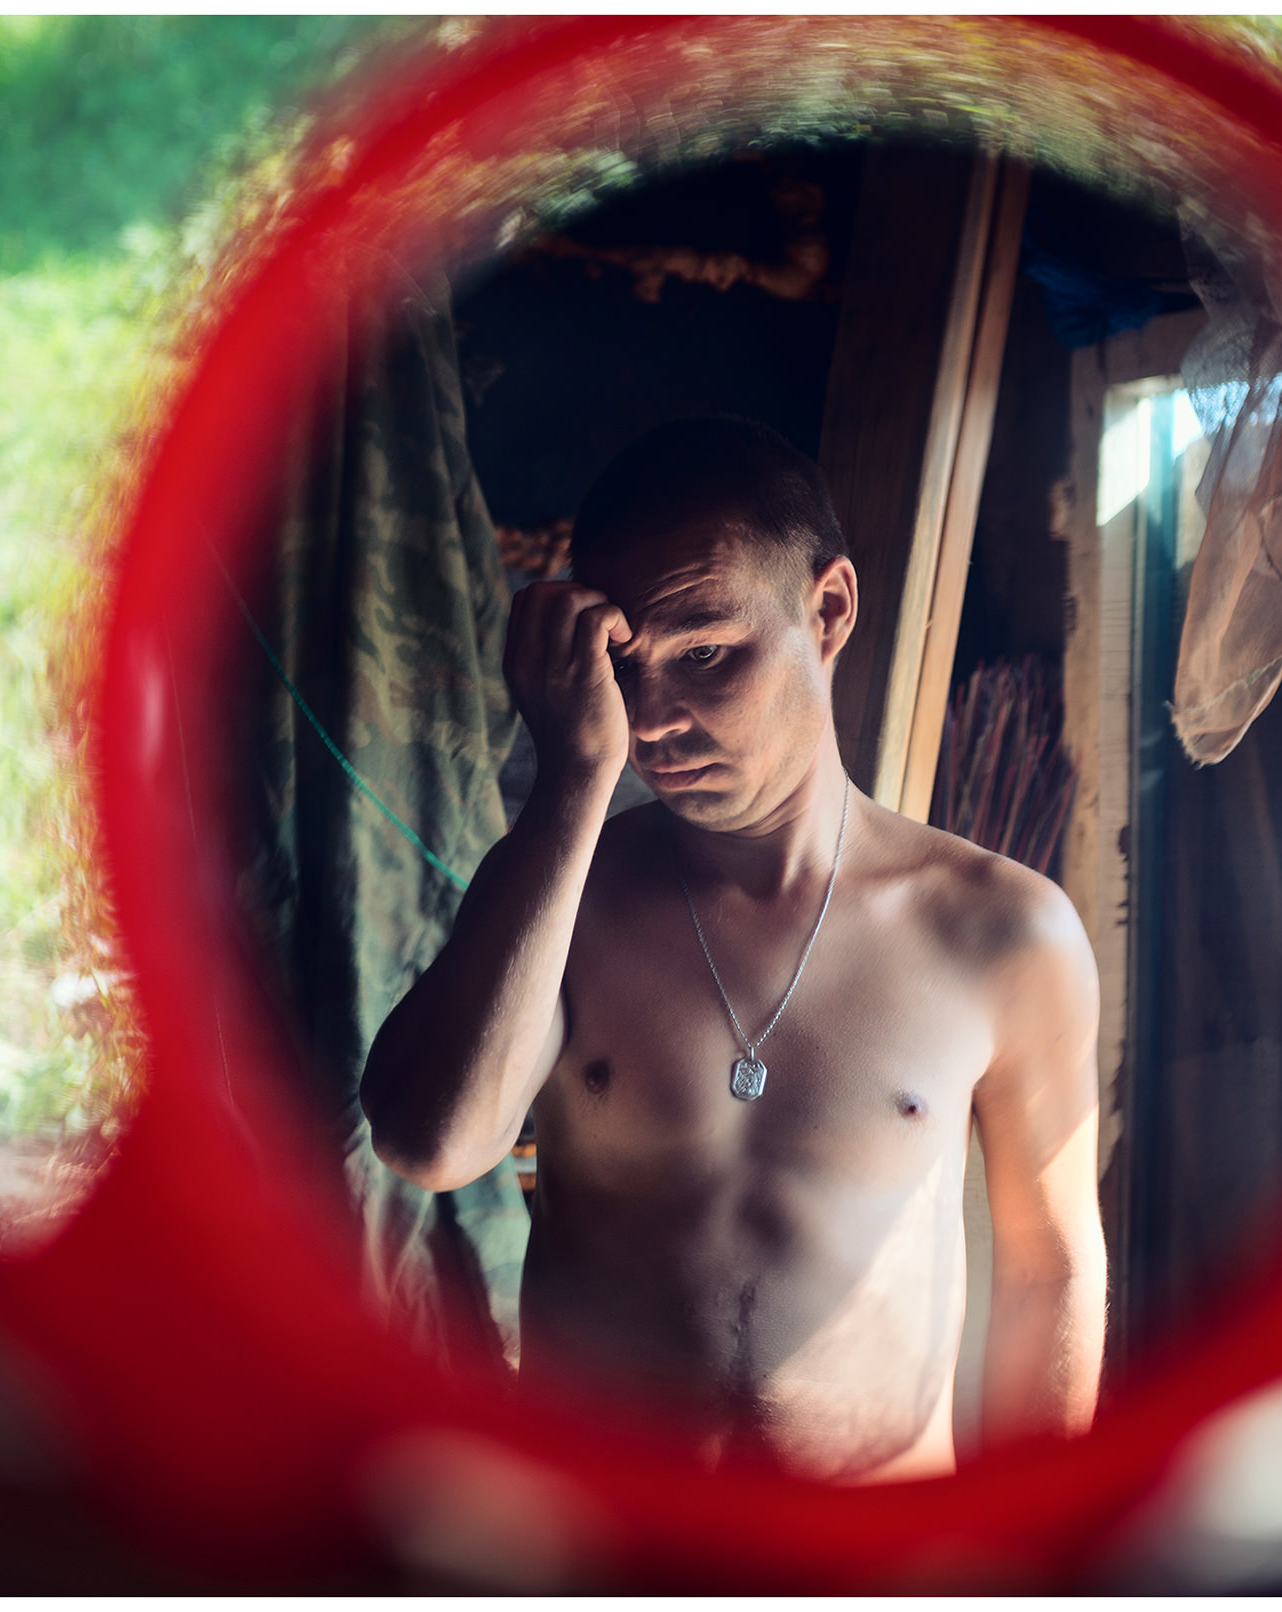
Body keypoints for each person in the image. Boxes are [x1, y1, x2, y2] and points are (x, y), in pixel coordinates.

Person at [361, 417, 1104, 1482]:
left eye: (705, 655)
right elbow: (431, 1144)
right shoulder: (564, 896)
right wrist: (574, 778)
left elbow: (1051, 1270)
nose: (654, 718)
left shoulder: (1001, 930)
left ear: (828, 609)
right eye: (625, 667)